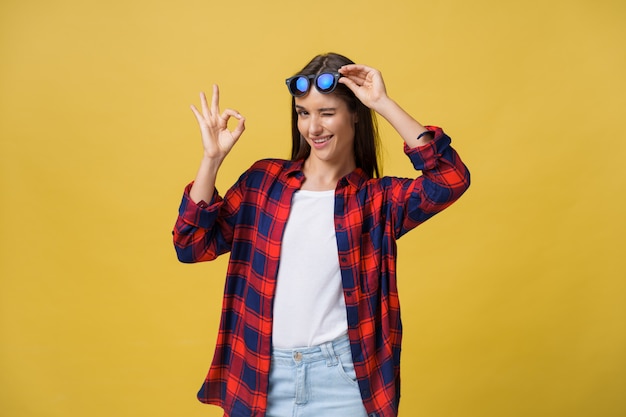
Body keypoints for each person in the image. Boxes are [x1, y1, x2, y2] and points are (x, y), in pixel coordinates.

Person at [173, 52, 470, 417]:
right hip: (261, 380)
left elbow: (449, 179)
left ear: (355, 115)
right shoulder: (264, 183)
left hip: (343, 382)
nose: (313, 127)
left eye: (326, 112)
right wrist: (211, 161)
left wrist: (382, 103)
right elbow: (190, 245)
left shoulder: (375, 201)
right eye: (303, 113)